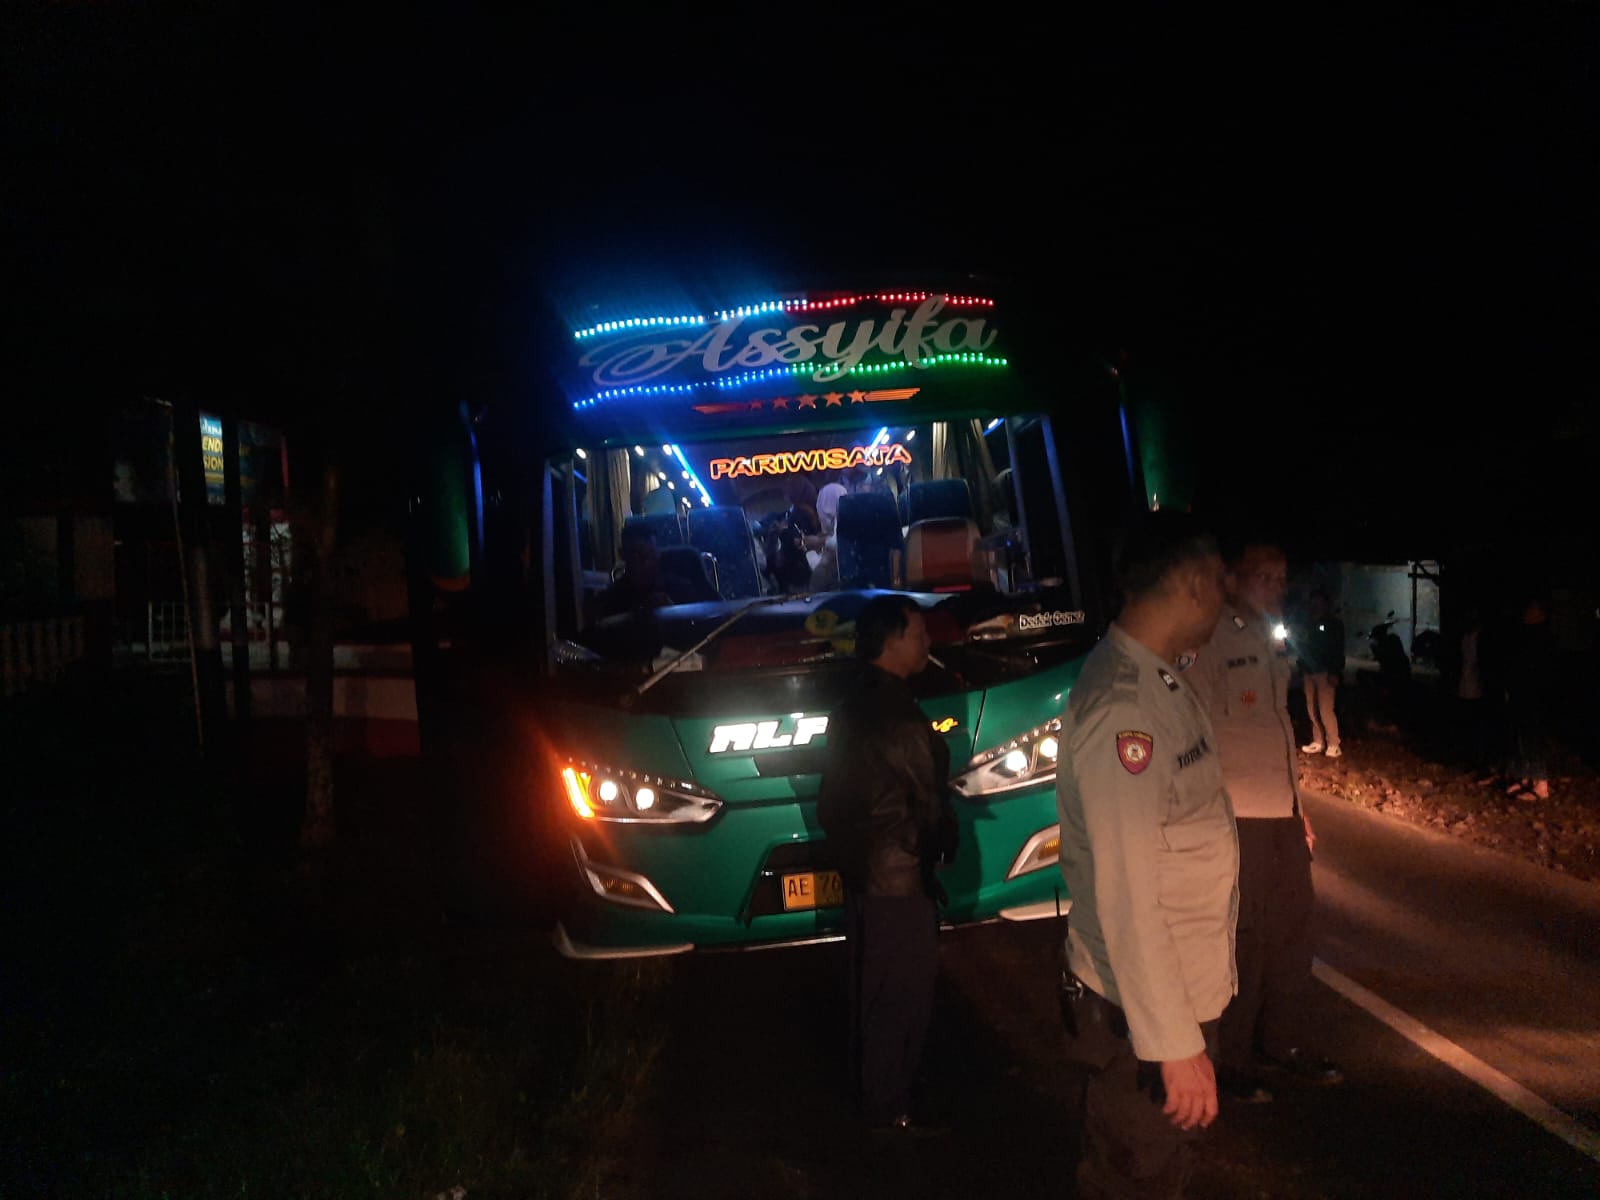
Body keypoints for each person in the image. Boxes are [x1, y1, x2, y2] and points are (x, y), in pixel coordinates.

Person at [1055, 509, 1237, 1199]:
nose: (1224, 595)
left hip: (1168, 995)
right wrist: (1172, 1042)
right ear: (1192, 582)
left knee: (1158, 1170)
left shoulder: (1158, 681)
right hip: (1141, 1014)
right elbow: (1127, 890)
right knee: (1137, 1177)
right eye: (1219, 579)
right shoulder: (1125, 708)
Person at [1192, 540, 1344, 1107]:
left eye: (1281, 578)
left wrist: (1300, 811)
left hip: (1280, 813)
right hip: (1237, 815)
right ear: (1232, 581)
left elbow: (1278, 733)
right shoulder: (1210, 640)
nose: (1277, 587)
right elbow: (1195, 732)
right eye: (1264, 577)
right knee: (1245, 939)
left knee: (1292, 933)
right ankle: (1231, 1057)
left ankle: (1283, 1042)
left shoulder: (1272, 636)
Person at [816, 593, 957, 1135]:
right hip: (899, 874)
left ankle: (877, 1091)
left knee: (871, 989)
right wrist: (939, 847)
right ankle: (890, 1104)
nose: (927, 644)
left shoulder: (849, 707)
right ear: (892, 641)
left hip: (863, 871)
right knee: (903, 993)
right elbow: (928, 804)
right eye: (918, 635)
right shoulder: (901, 717)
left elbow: (830, 802)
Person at [1501, 593, 1557, 800]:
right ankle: (1526, 777)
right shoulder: (1526, 635)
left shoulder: (1542, 638)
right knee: (1522, 736)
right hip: (1522, 693)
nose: (1527, 613)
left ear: (1540, 613)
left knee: (1534, 738)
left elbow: (1542, 670)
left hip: (1535, 695)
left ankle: (1540, 784)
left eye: (1531, 609)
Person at [586, 523, 700, 623]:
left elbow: (699, 629)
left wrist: (674, 612)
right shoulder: (610, 600)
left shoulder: (682, 589)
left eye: (651, 553)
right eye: (636, 555)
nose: (646, 562)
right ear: (623, 555)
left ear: (658, 553)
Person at [1295, 588, 1345, 758]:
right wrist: (1301, 665)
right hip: (1309, 672)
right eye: (1312, 602)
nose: (1315, 606)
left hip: (1325, 672)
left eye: (1318, 602)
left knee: (1325, 709)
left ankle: (1334, 743)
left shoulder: (1333, 625)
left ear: (1325, 604)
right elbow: (1301, 646)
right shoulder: (1307, 624)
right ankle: (1318, 741)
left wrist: (1334, 671)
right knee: (1312, 708)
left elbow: (1337, 650)